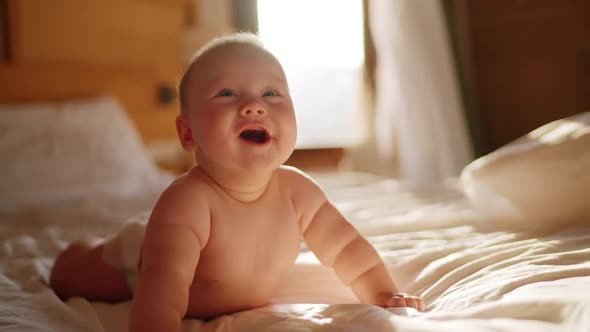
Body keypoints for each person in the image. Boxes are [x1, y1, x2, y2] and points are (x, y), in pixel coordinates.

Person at [50, 33, 425, 332]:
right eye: (227, 93)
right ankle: (74, 254)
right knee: (76, 274)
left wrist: (382, 292)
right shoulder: (188, 202)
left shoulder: (298, 191)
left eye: (271, 93)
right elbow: (162, 291)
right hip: (140, 259)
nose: (254, 105)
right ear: (188, 132)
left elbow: (346, 250)